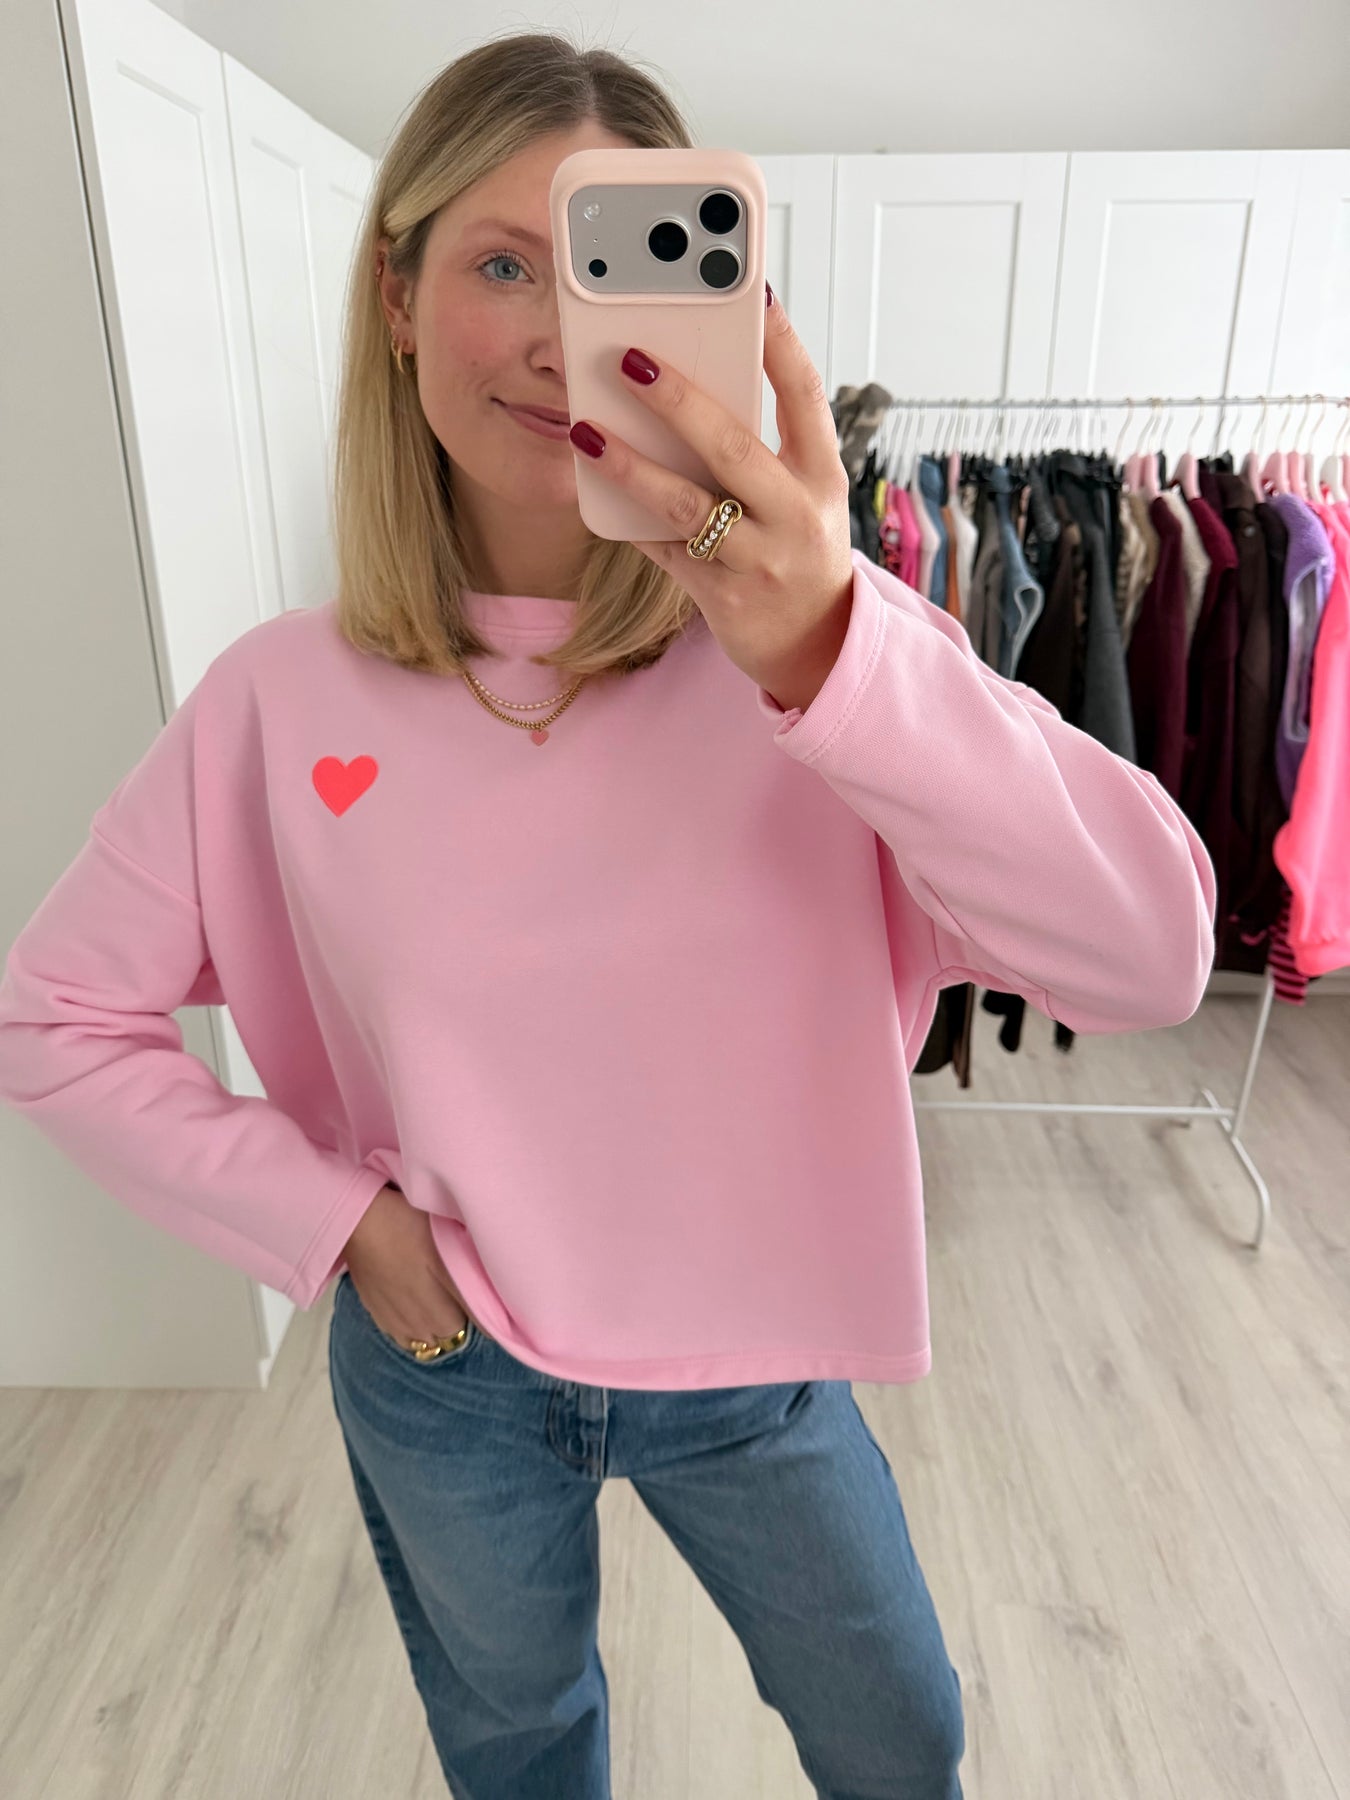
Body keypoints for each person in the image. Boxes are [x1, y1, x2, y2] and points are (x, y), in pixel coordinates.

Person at [0, 28, 1218, 1800]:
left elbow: (1150, 955)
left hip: (760, 1362)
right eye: (505, 266)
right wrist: (340, 1226)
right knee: (520, 1749)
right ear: (398, 296)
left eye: (617, 276)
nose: (562, 338)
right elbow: (55, 1019)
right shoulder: (277, 701)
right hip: (448, 1362)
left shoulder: (827, 657)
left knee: (899, 1740)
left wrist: (827, 649)